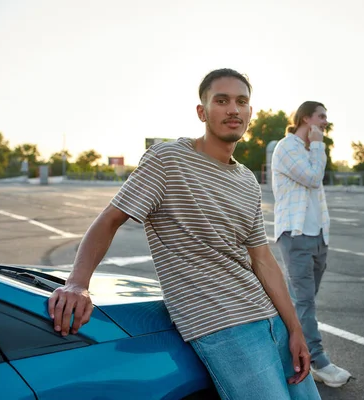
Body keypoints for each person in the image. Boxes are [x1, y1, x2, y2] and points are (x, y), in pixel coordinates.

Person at [47, 68, 321, 400]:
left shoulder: (247, 180)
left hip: (271, 319)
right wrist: (77, 283)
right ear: (202, 111)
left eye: (241, 101)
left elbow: (262, 260)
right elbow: (109, 219)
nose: (233, 109)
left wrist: (295, 329)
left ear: (250, 113)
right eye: (221, 101)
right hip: (223, 326)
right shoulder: (168, 160)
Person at [272, 101, 352, 388]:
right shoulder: (287, 147)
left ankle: (289, 353)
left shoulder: (310, 150)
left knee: (301, 303)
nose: (325, 122)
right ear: (306, 118)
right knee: (304, 301)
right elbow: (313, 178)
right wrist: (319, 147)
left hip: (318, 235)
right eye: (321, 116)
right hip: (296, 235)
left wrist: (317, 148)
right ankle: (319, 362)